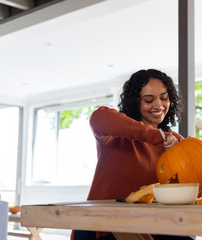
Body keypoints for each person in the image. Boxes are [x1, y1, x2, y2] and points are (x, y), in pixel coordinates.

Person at [72, 69, 192, 240]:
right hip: (101, 227)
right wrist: (154, 136)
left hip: (150, 226)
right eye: (149, 100)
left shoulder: (175, 141)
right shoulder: (116, 134)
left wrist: (177, 146)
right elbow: (98, 116)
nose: (158, 105)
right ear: (135, 102)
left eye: (164, 98)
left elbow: (196, 172)